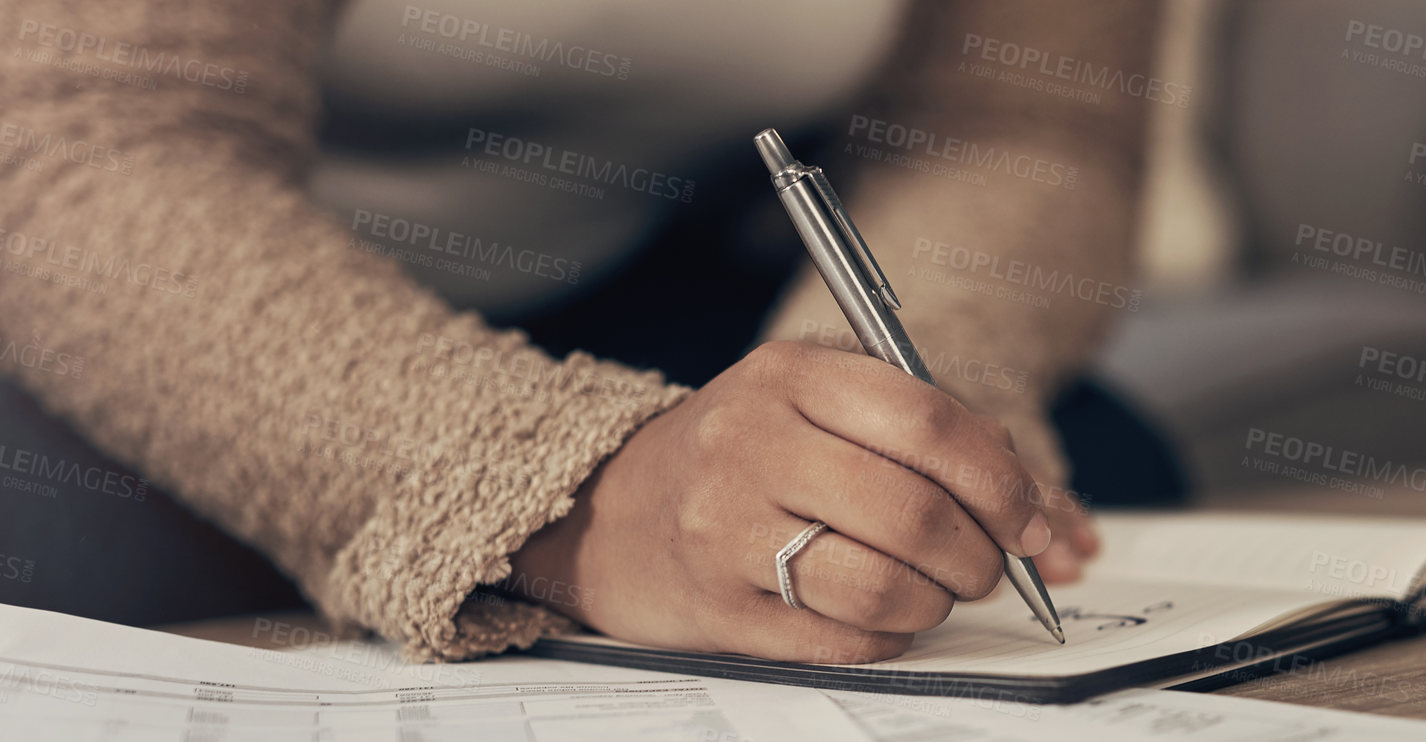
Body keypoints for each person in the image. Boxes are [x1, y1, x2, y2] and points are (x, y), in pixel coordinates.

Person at [0, 0, 1162, 661]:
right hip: (152, 295)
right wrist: (575, 494)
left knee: (1093, 473)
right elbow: (75, 143)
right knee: (71, 565)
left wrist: (875, 394)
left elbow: (1023, 123)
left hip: (634, 263)